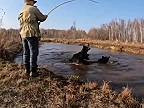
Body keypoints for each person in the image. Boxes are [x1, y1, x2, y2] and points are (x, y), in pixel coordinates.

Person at [18, 0, 48, 77]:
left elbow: (24, 22)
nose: (34, 3)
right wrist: (46, 16)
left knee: (26, 52)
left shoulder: (22, 10)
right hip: (31, 33)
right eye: (33, 2)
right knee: (34, 52)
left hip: (23, 34)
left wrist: (34, 22)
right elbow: (42, 18)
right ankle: (33, 71)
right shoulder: (33, 9)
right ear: (30, 1)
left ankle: (27, 70)